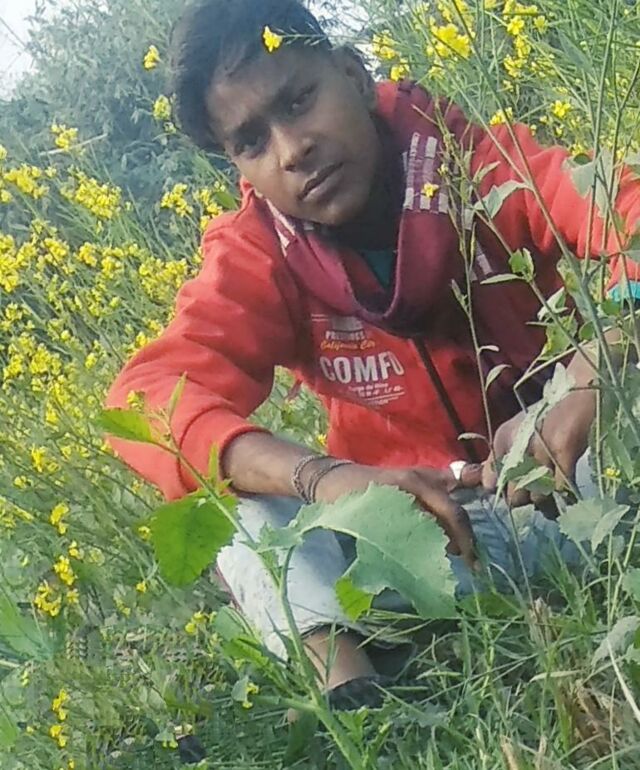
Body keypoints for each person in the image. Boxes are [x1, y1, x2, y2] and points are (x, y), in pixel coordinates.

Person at [105, 0, 640, 705]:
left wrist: (592, 373)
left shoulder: (474, 163)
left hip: (577, 489)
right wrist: (324, 478)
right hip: (413, 544)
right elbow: (148, 397)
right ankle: (360, 703)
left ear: (354, 76)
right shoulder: (261, 250)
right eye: (251, 142)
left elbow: (627, 209)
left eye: (298, 100)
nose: (291, 150)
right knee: (234, 505)